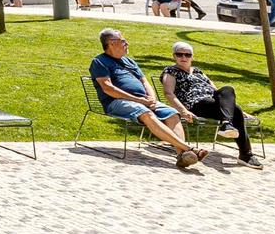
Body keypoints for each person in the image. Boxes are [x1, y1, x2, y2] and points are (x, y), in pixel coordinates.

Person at [88, 29, 206, 170]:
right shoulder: (99, 61)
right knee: (146, 113)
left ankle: (182, 156)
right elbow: (108, 88)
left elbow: (144, 81)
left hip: (143, 102)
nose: (127, 43)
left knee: (172, 113)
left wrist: (152, 99)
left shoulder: (129, 61)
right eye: (123, 41)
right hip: (116, 102)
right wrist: (140, 101)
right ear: (112, 43)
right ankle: (190, 149)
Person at [162, 41, 262, 169]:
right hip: (196, 104)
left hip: (213, 103)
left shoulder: (198, 71)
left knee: (228, 91)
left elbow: (217, 92)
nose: (183, 57)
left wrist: (232, 108)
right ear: (174, 56)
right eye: (179, 54)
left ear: (192, 57)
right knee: (236, 110)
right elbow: (168, 93)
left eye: (187, 55)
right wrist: (183, 111)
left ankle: (227, 124)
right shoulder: (171, 71)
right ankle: (246, 154)